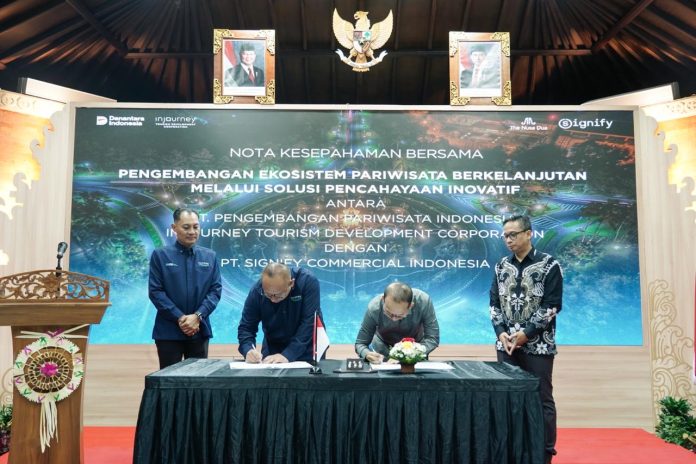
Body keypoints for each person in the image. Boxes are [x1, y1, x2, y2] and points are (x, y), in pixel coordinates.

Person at [490, 214, 563, 464]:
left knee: (542, 399)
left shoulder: (549, 264)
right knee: (508, 400)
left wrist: (526, 334)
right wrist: (500, 331)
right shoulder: (501, 266)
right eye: (505, 236)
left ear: (528, 233)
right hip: (506, 346)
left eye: (513, 235)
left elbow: (552, 305)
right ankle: (511, 453)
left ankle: (544, 454)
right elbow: (494, 304)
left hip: (538, 346)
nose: (508, 240)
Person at [148, 208, 222, 369]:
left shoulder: (210, 256)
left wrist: (197, 316)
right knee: (168, 379)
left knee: (197, 380)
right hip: (168, 331)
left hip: (199, 329)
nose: (192, 232)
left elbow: (215, 291)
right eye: (186, 227)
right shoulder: (160, 255)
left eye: (196, 227)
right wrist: (181, 318)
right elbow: (155, 292)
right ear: (174, 228)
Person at [237, 262, 321, 363]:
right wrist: (248, 350)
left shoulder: (307, 281)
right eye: (268, 295)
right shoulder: (257, 290)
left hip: (307, 349)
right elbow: (246, 327)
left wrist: (288, 354)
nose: (273, 300)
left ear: (291, 283)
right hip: (273, 348)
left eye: (278, 295)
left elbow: (309, 323)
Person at [355, 282, 439, 363]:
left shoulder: (423, 302)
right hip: (383, 349)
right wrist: (366, 354)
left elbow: (432, 339)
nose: (394, 319)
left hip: (416, 349)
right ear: (383, 300)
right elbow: (360, 343)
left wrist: (411, 354)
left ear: (411, 306)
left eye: (399, 315)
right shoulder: (374, 307)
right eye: (388, 313)